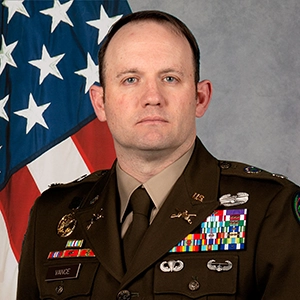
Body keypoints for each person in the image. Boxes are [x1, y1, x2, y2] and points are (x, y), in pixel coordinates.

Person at [17, 10, 300, 300]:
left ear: (200, 98)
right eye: (130, 79)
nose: (152, 96)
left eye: (169, 78)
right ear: (100, 103)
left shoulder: (270, 210)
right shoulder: (52, 216)